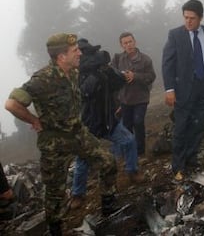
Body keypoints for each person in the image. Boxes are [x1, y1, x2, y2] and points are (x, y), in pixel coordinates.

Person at [4, 33, 118, 236]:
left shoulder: (73, 72)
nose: (80, 53)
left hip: (78, 134)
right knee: (55, 193)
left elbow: (96, 62)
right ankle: (55, 229)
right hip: (54, 143)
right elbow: (11, 104)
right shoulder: (42, 79)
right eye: (75, 51)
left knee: (108, 162)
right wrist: (33, 120)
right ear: (61, 56)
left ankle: (109, 206)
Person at [71, 38, 141, 210]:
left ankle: (132, 171)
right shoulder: (76, 73)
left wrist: (111, 71)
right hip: (88, 123)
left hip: (107, 120)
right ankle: (77, 194)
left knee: (129, 140)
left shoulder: (102, 69)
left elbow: (119, 83)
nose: (91, 57)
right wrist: (96, 73)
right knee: (82, 161)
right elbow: (84, 92)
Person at [162, 0, 204, 182]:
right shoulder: (175, 35)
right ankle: (178, 165)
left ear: (200, 18)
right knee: (181, 126)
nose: (188, 21)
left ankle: (192, 157)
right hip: (184, 87)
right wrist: (169, 89)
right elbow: (167, 63)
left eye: (192, 18)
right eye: (185, 17)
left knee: (199, 123)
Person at [112, 32, 156, 156]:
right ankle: (129, 150)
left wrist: (135, 76)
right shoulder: (117, 59)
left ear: (135, 42)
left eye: (130, 41)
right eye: (125, 43)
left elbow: (151, 76)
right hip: (124, 99)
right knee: (126, 125)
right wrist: (121, 76)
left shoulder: (145, 59)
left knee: (138, 122)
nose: (128, 45)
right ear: (122, 45)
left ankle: (140, 151)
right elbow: (110, 75)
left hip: (141, 98)